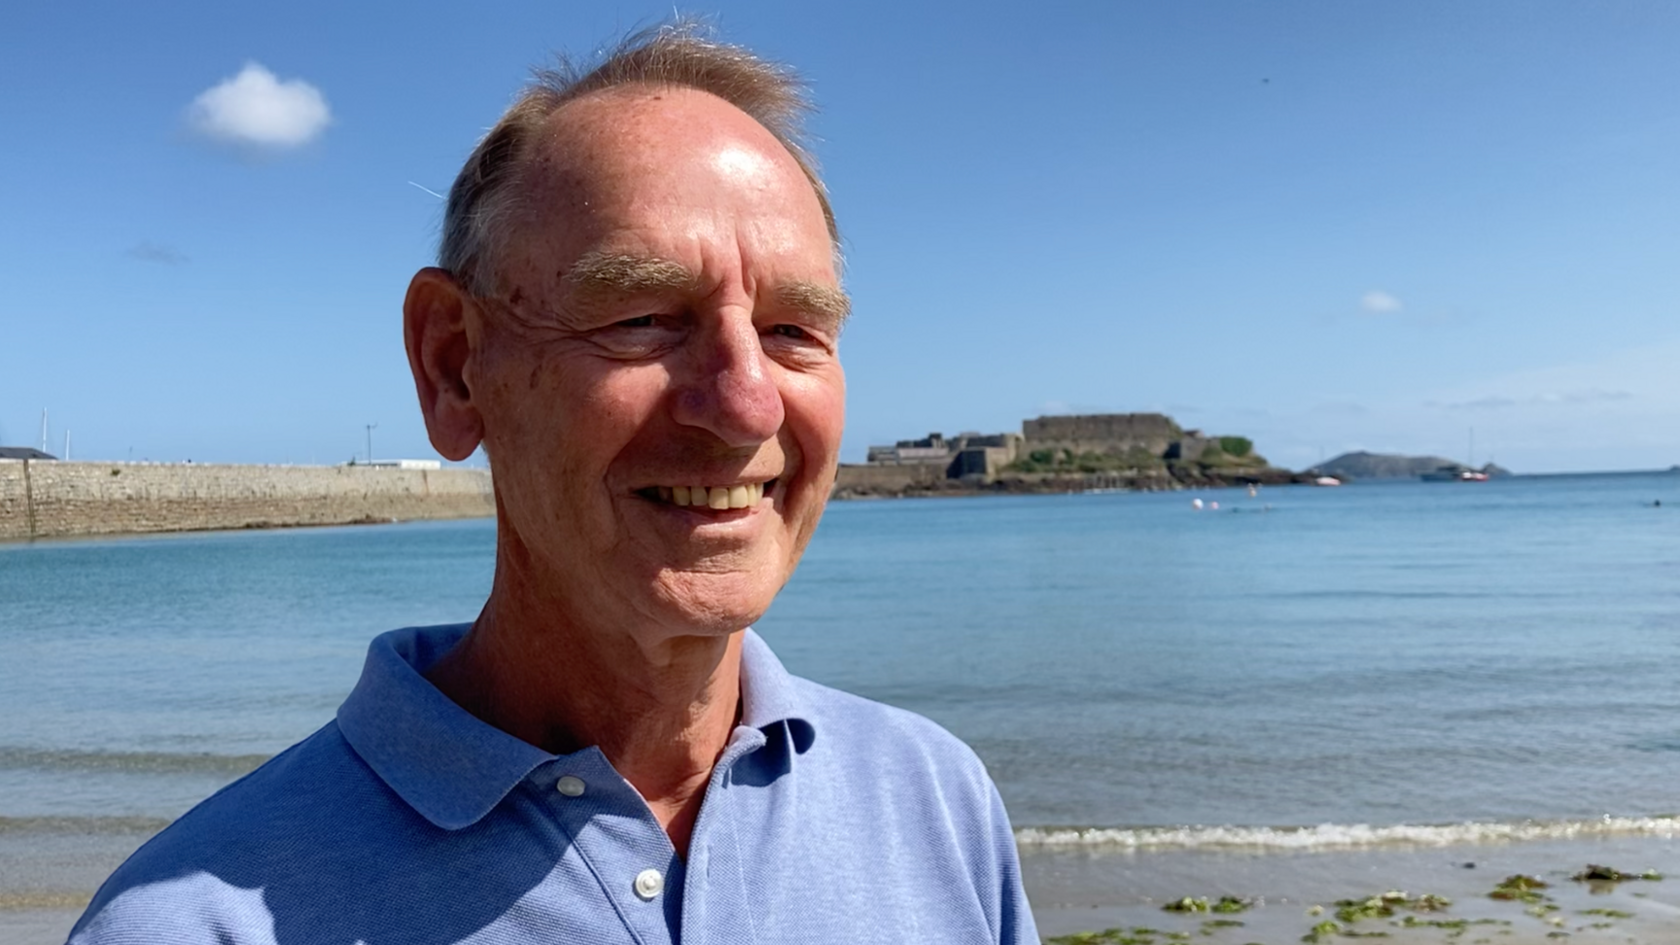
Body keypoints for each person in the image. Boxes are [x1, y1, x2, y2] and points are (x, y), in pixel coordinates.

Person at [68, 23, 1037, 945]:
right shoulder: (194, 923)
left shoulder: (935, 802)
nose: (747, 405)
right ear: (455, 368)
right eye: (645, 317)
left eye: (794, 330)